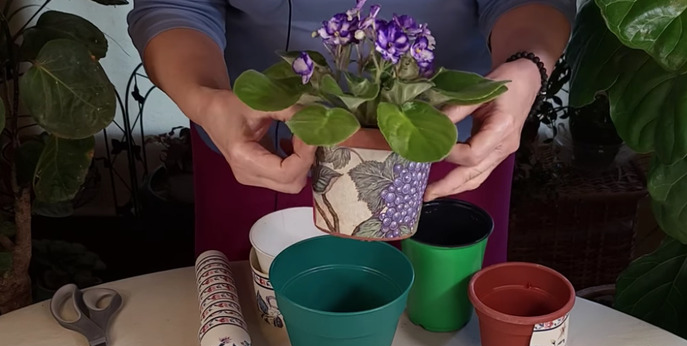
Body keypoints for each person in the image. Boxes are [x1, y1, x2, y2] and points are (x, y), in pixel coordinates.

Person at [127, 0, 575, 264]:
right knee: (258, 345)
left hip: (449, 153)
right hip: (257, 147)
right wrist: (205, 98)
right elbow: (175, 6)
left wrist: (526, 69)